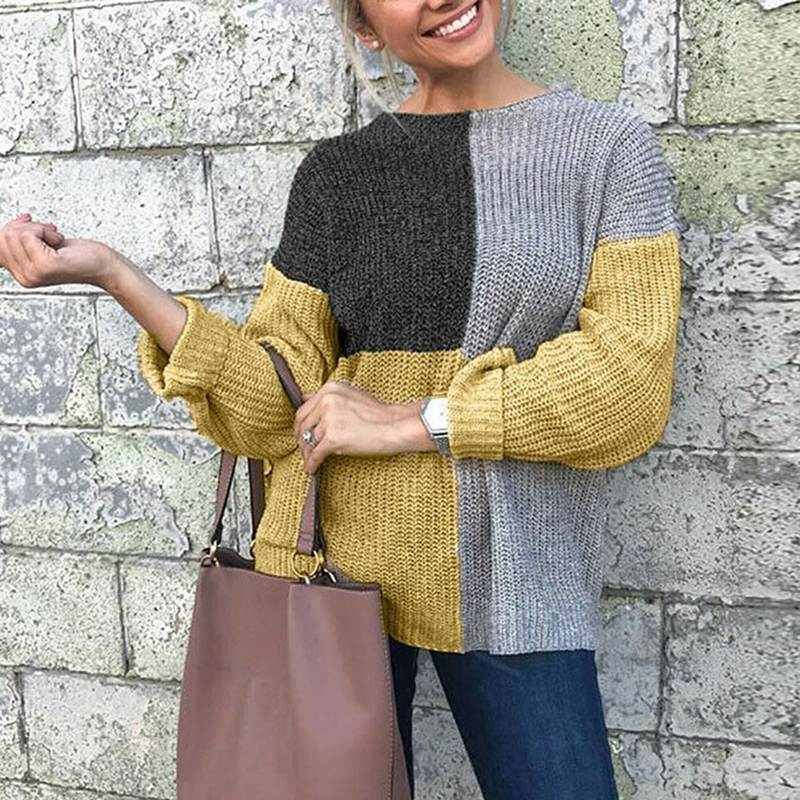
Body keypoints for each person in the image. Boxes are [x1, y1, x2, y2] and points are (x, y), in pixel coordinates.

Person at [0, 0, 681, 796]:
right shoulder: (338, 175)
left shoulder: (608, 149)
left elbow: (628, 385)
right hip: (327, 569)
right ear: (364, 27)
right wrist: (116, 275)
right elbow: (270, 408)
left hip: (514, 576)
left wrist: (416, 422)